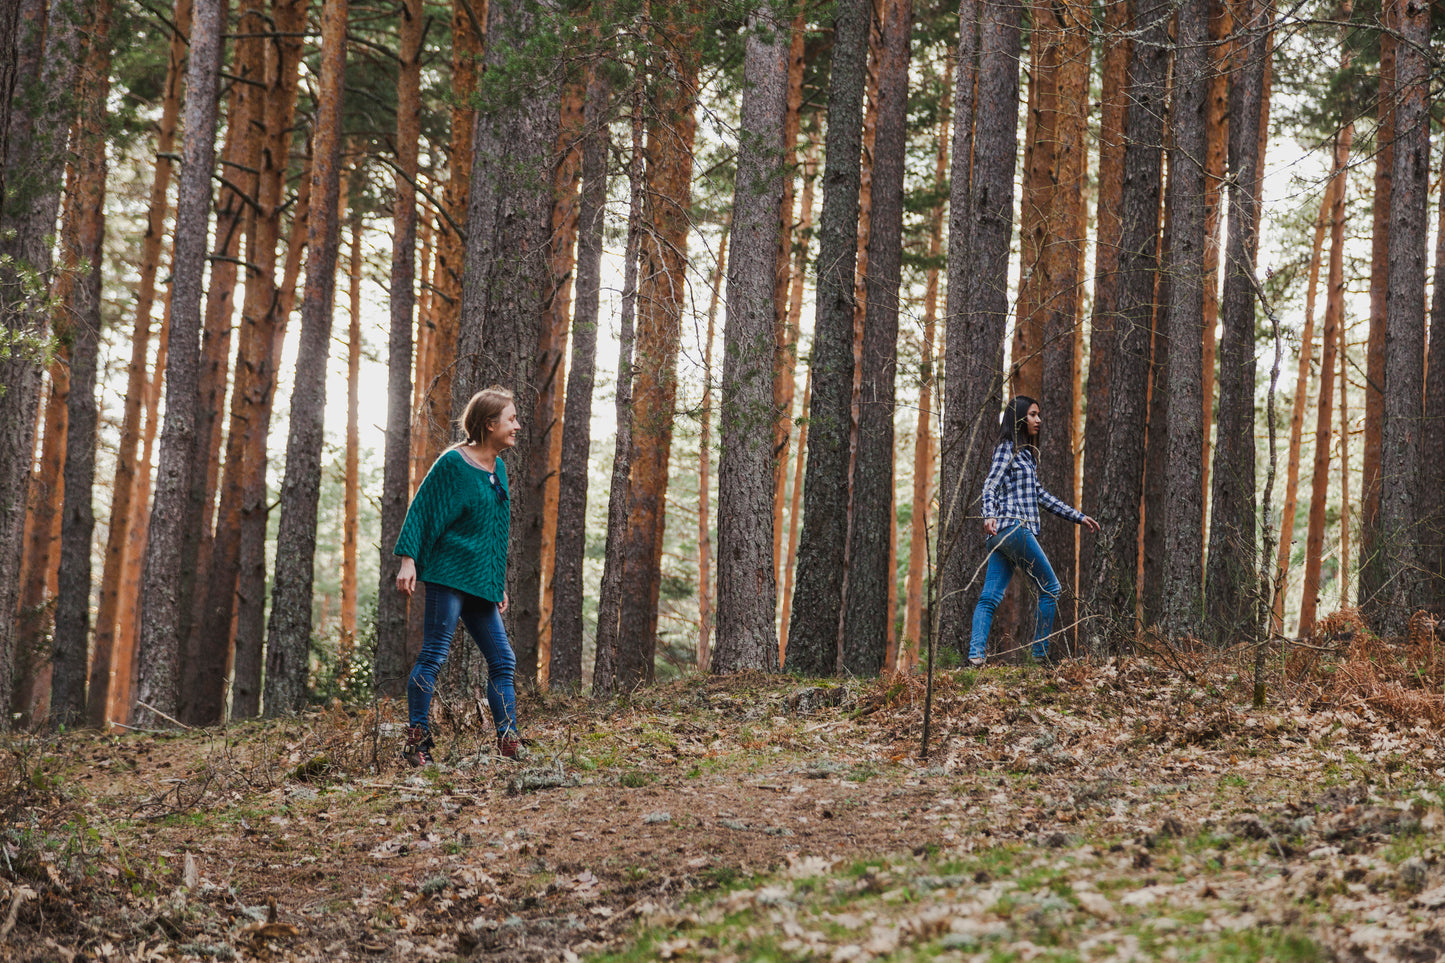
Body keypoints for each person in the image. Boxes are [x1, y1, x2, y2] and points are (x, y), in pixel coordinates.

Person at [395, 386, 524, 765]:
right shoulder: (453, 463)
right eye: (510, 419)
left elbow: (494, 533)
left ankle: (508, 740)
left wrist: (495, 581)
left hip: (479, 582)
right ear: (489, 424)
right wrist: (408, 560)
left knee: (503, 660)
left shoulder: (498, 468)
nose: (517, 426)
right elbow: (422, 510)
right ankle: (416, 744)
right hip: (448, 575)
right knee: (434, 654)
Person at [968, 396, 1099, 667]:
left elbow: (1042, 496)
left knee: (989, 597)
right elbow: (990, 484)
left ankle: (976, 656)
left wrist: (1079, 517)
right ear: (1019, 418)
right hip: (1013, 528)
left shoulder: (1026, 455)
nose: (1038, 420)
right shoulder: (1007, 448)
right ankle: (1039, 656)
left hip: (1001, 536)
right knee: (1050, 588)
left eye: (1038, 415)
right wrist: (988, 514)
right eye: (1032, 415)